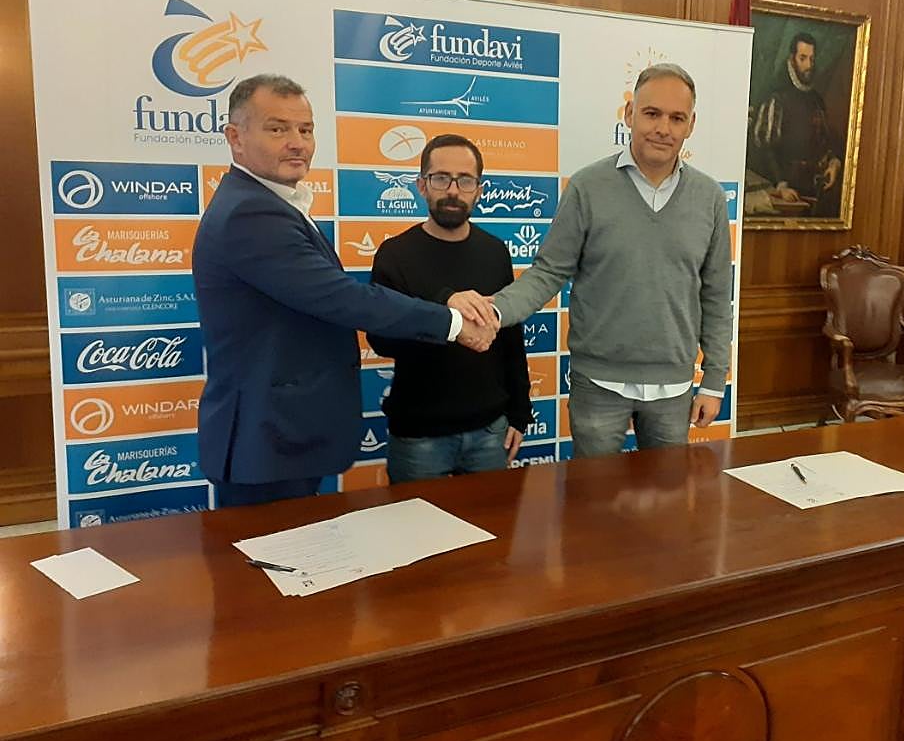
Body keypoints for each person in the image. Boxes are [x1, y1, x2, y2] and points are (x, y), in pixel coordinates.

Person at [193, 74, 495, 507]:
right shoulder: (251, 213)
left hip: (280, 435)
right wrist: (453, 322)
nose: (297, 143)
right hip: (265, 440)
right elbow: (341, 298)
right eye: (277, 129)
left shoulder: (271, 203)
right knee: (272, 549)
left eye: (305, 130)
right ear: (235, 138)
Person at [450, 63, 732, 458]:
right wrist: (494, 311)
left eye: (676, 118)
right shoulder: (587, 187)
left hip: (674, 390)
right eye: (652, 114)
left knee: (667, 495)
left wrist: (714, 381)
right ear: (630, 114)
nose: (663, 128)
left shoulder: (710, 197)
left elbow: (717, 296)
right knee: (594, 494)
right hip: (597, 385)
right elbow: (548, 272)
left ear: (691, 125)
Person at [368, 134, 530, 480]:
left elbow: (510, 338)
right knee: (416, 519)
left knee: (493, 519)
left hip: (490, 430)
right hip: (419, 435)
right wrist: (442, 308)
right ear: (421, 186)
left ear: (479, 190)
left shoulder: (495, 251)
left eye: (465, 180)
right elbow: (380, 340)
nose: (453, 190)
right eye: (441, 178)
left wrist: (519, 413)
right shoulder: (395, 254)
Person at [750, 32, 843, 218]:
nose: (809, 65)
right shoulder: (776, 96)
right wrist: (780, 185)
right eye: (803, 58)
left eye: (811, 59)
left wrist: (834, 163)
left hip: (813, 192)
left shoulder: (816, 100)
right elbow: (763, 148)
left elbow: (824, 141)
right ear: (792, 59)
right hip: (784, 196)